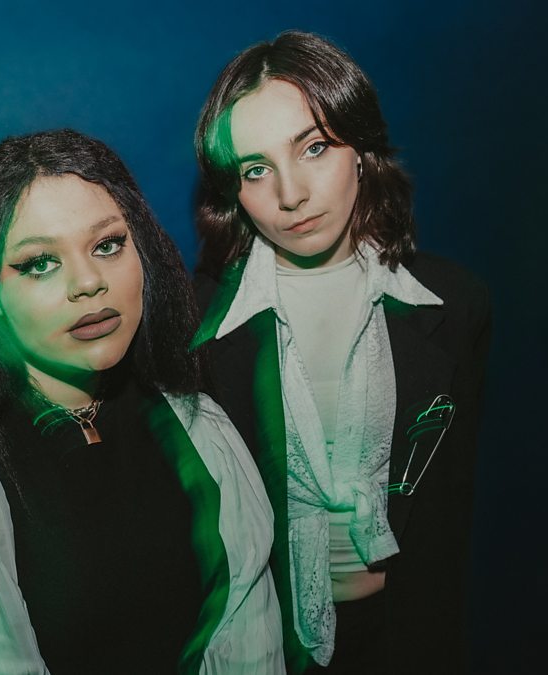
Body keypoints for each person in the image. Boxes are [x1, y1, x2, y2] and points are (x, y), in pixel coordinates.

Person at [0, 129, 284, 674]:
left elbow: (247, 645)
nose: (88, 283)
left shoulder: (194, 423)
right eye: (39, 262)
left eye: (108, 245)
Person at [191, 31, 492, 674]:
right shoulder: (193, 328)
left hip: (408, 640)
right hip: (262, 646)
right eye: (255, 169)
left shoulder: (455, 305)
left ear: (362, 151)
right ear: (232, 191)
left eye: (315, 148)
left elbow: (456, 508)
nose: (291, 194)